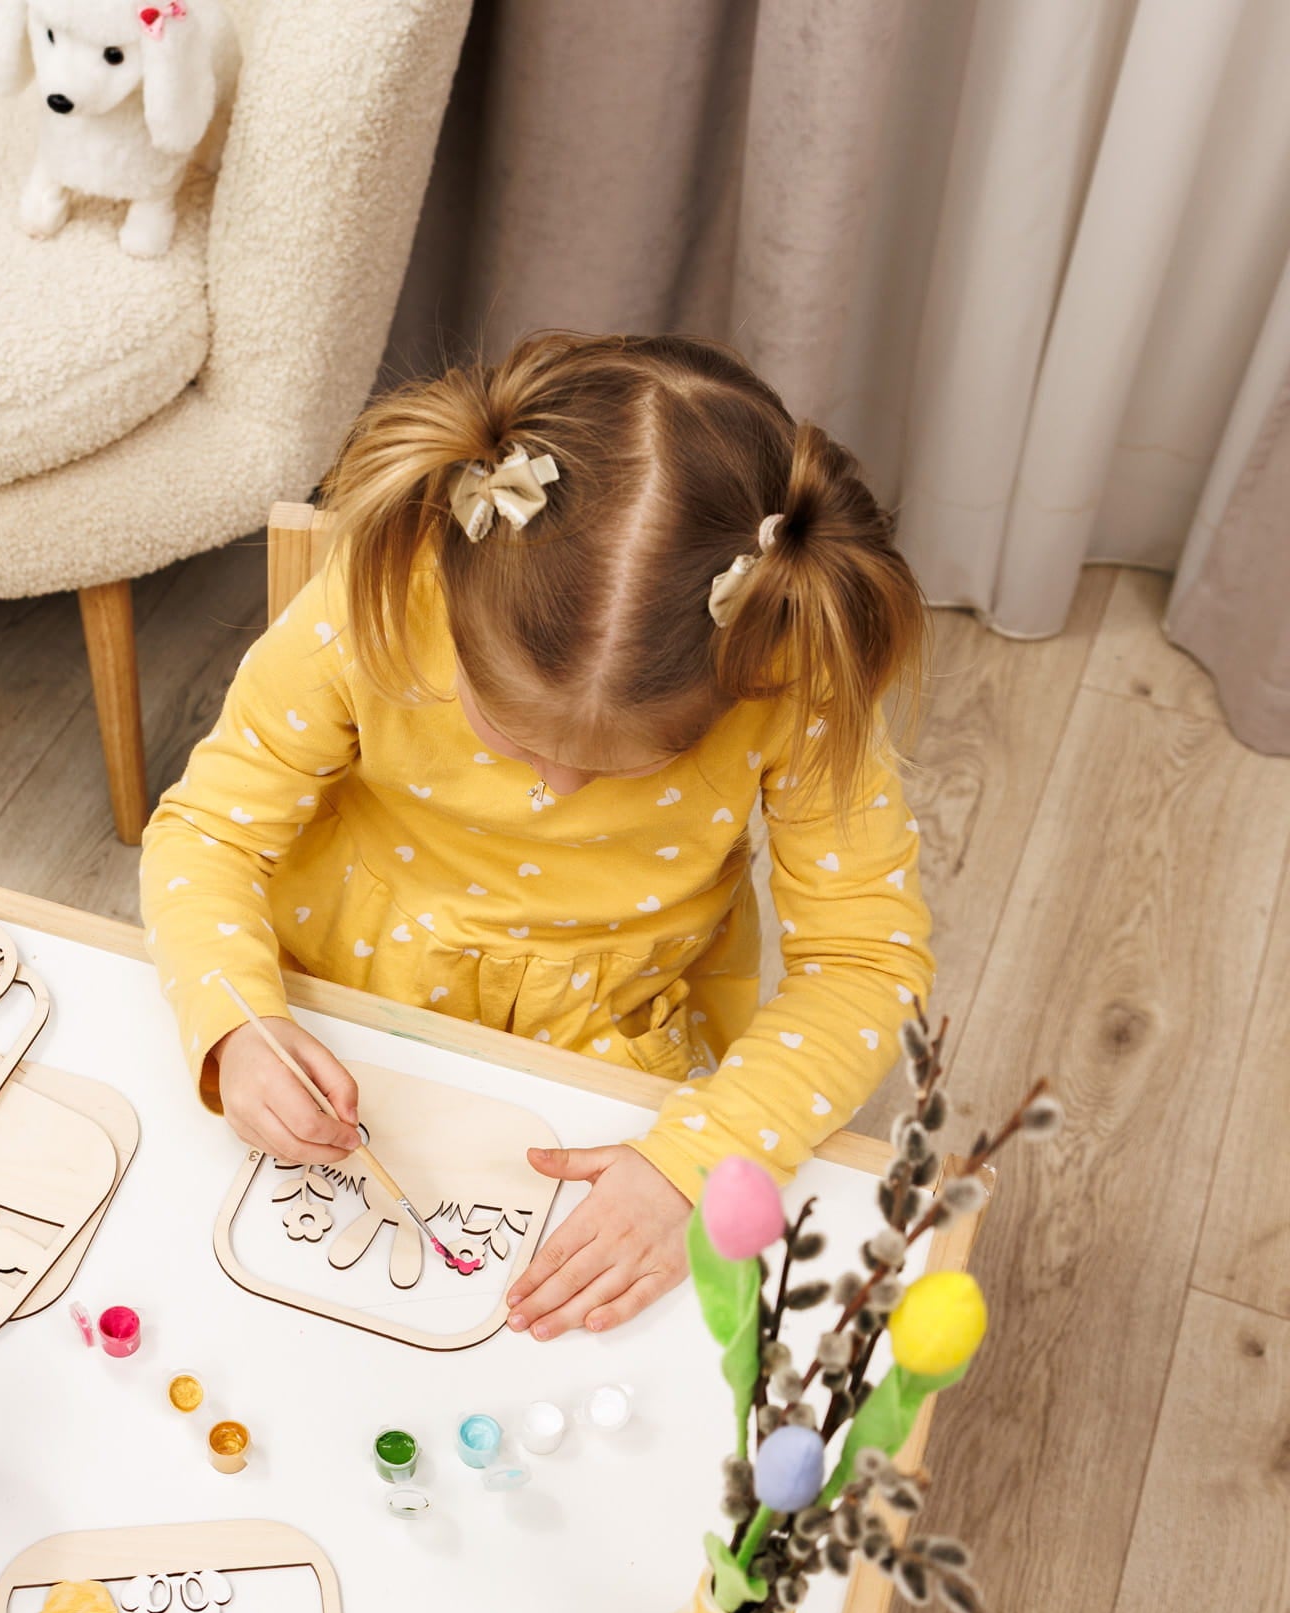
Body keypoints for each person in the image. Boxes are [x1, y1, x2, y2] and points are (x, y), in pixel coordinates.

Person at [142, 332, 932, 1337]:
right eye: (508, 732)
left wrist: (697, 1159)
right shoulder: (385, 594)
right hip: (326, 998)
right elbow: (207, 830)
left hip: (607, 1054)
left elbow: (863, 964)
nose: (558, 787)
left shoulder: (789, 675)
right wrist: (235, 1025)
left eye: (620, 763)